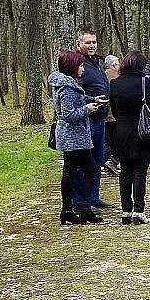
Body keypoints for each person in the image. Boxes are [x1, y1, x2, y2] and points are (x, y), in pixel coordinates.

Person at [48, 51, 106, 224]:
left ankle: (70, 210)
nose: (82, 68)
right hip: (74, 136)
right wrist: (88, 109)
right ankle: (82, 208)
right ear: (73, 67)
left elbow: (78, 98)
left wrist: (93, 98)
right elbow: (68, 114)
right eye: (80, 65)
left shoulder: (68, 84)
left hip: (73, 135)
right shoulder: (66, 87)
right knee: (87, 169)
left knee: (72, 170)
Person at [109, 50, 150, 225]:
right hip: (142, 131)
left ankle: (126, 211)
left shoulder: (115, 84)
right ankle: (139, 211)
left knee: (125, 172)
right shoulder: (145, 83)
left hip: (122, 130)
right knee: (140, 171)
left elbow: (114, 110)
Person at [73, 29, 113, 210]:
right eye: (88, 43)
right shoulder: (77, 64)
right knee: (84, 161)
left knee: (97, 159)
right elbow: (76, 92)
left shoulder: (96, 62)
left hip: (101, 117)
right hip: (87, 119)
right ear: (79, 44)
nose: (92, 46)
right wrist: (91, 101)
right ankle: (80, 200)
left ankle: (93, 197)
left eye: (94, 42)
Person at [103, 55, 121, 176]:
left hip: (103, 114)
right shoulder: (115, 77)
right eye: (118, 63)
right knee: (116, 140)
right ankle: (111, 162)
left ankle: (105, 162)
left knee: (106, 140)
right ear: (114, 65)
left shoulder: (102, 75)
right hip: (114, 113)